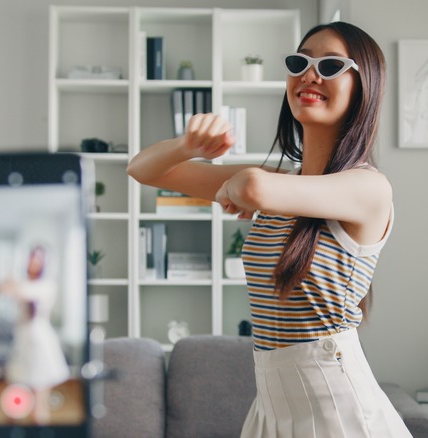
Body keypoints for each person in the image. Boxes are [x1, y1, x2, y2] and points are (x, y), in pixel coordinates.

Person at [128, 21, 411, 438]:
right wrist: (188, 147)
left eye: (331, 65)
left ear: (363, 85)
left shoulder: (368, 187)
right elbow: (142, 169)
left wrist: (237, 189)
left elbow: (251, 187)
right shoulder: (284, 181)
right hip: (273, 401)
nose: (310, 74)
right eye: (300, 62)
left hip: (336, 404)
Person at [0, 245, 70, 425]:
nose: (34, 261)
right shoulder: (24, 282)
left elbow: (21, 291)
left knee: (39, 406)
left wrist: (11, 283)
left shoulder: (47, 285)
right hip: (23, 345)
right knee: (12, 403)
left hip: (40, 345)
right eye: (32, 257)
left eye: (39, 258)